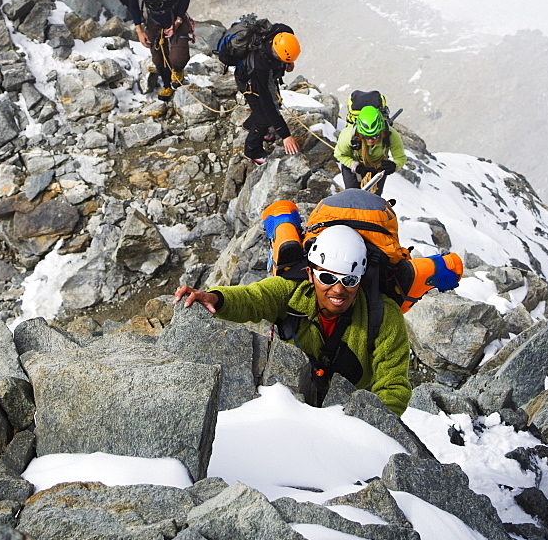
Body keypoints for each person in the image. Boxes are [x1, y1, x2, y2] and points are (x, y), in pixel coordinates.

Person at [173, 224, 411, 415]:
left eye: (349, 281)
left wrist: (372, 430)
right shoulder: (290, 292)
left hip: (351, 414)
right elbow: (253, 298)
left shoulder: (383, 315)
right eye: (327, 278)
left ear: (360, 281)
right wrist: (216, 298)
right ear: (310, 274)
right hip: (290, 405)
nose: (338, 290)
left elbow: (393, 386)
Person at [237, 26, 301, 166]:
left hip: (258, 76)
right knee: (263, 118)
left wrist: (289, 61)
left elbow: (288, 32)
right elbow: (268, 104)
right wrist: (285, 135)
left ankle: (249, 125)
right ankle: (252, 152)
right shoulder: (260, 67)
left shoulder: (282, 32)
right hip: (248, 81)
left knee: (264, 109)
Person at [129, 0, 192, 100]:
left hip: (175, 16)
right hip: (154, 21)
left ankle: (178, 70)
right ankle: (167, 85)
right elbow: (133, 7)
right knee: (158, 58)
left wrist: (178, 21)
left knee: (178, 57)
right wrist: (139, 31)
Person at [334, 105, 407, 193]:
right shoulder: (348, 136)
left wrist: (394, 166)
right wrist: (352, 164)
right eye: (366, 136)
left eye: (375, 136)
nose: (371, 140)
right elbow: (339, 154)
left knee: (374, 199)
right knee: (352, 195)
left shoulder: (391, 135)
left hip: (378, 168)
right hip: (355, 167)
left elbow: (400, 158)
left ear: (381, 131)